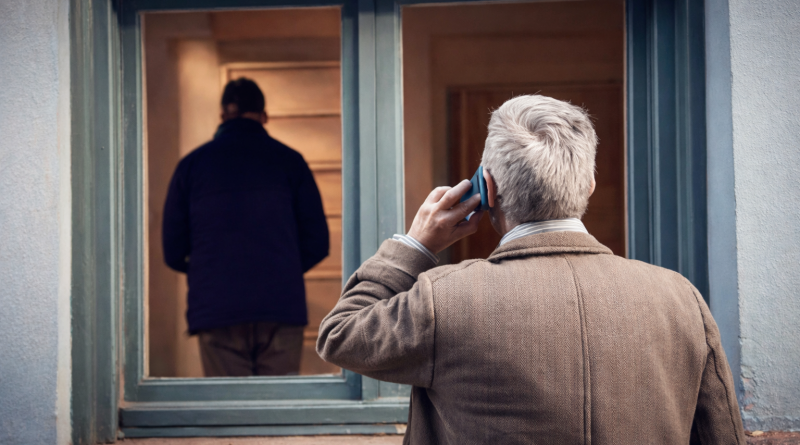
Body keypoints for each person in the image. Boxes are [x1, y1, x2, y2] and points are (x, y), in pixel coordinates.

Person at [317, 95, 745, 443]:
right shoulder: (680, 298)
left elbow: (339, 335)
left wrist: (416, 245)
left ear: (487, 188)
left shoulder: (443, 300)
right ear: (590, 183)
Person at [163, 78, 329, 377]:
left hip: (217, 311)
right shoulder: (290, 162)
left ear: (223, 116)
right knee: (276, 414)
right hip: (279, 308)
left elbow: (173, 252)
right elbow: (318, 243)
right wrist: (281, 268)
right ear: (264, 116)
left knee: (230, 415)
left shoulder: (191, 166)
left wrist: (214, 271)